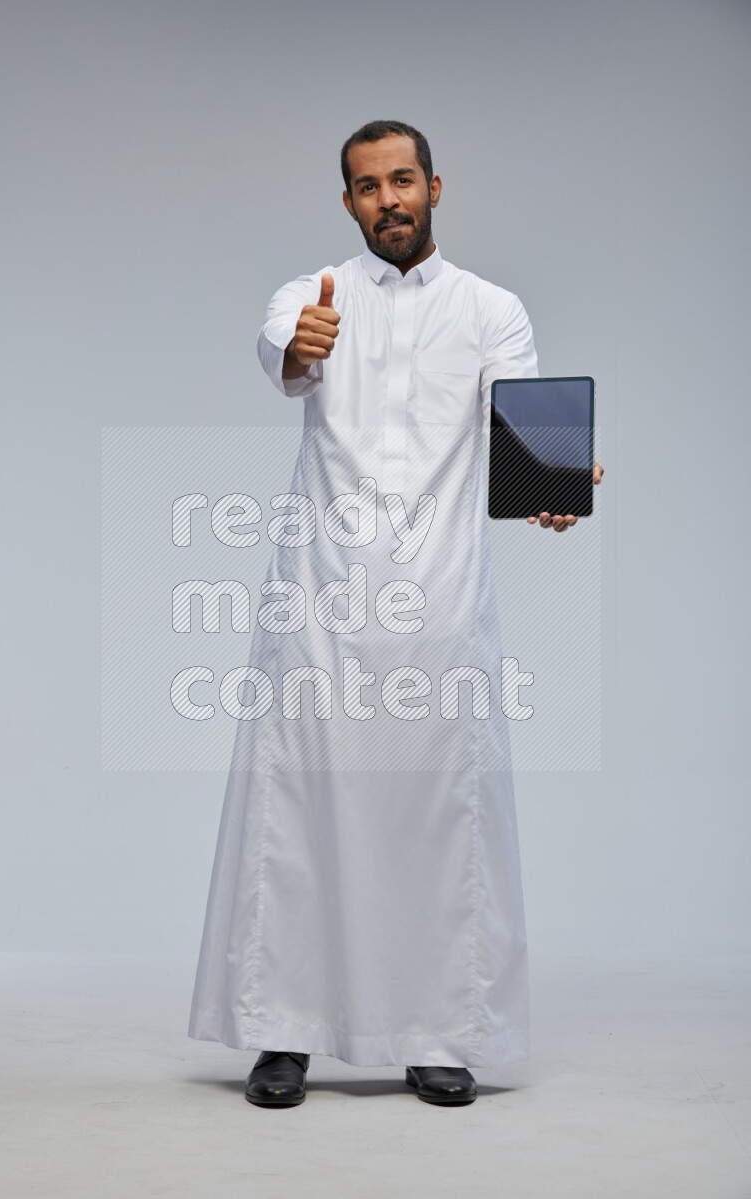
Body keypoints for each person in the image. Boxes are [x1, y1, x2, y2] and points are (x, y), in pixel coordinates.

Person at [188, 118, 604, 1108]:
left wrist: (553, 481)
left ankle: (436, 1033)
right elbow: (279, 342)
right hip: (323, 596)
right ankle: (281, 1033)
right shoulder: (312, 292)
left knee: (435, 820)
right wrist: (299, 339)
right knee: (295, 813)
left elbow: (517, 420)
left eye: (402, 180)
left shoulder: (491, 308)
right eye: (367, 187)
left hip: (440, 599)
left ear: (434, 186)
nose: (388, 200)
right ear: (347, 203)